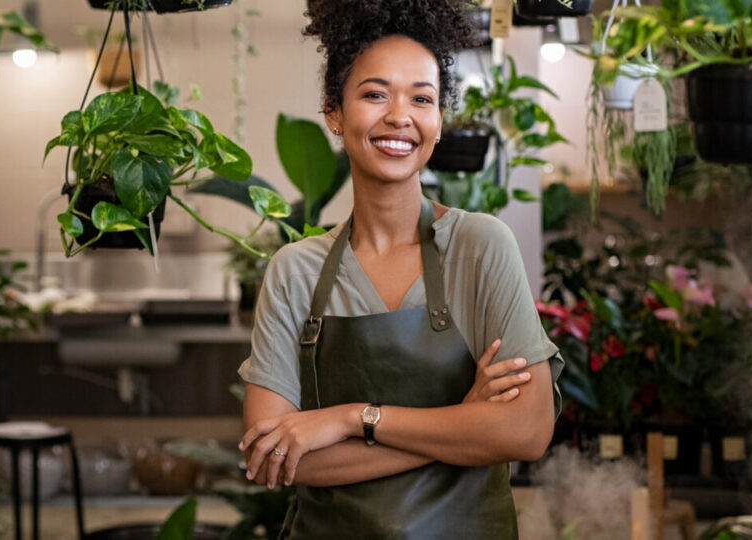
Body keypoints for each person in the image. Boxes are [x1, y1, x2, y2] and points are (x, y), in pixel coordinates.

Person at [235, 0, 564, 537]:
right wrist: (464, 424)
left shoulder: (480, 247)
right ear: (333, 111)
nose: (399, 116)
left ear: (438, 120)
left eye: (422, 98)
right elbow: (273, 457)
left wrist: (349, 419)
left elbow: (525, 432)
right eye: (374, 94)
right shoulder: (296, 271)